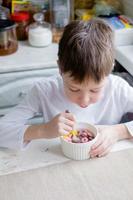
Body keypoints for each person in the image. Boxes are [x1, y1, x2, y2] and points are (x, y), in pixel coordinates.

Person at [0, 18, 133, 158]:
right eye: (74, 89)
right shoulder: (43, 91)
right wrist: (42, 130)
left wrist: (119, 132)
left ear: (110, 69)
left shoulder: (118, 89)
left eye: (95, 90)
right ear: (60, 69)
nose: (84, 101)